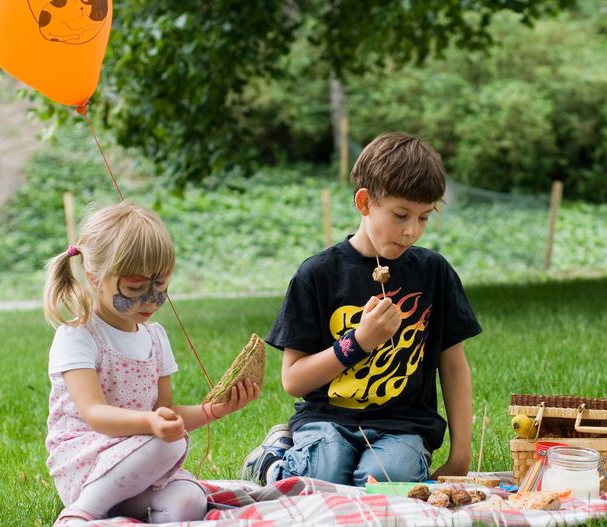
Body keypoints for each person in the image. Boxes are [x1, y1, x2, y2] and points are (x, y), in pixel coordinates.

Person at [242, 132, 482, 487]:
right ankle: (271, 462)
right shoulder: (318, 275)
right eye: (401, 215)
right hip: (326, 420)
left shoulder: (433, 273)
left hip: (403, 425)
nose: (412, 231)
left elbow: (453, 365)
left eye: (424, 218)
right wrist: (359, 341)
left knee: (388, 481)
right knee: (324, 479)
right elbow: (293, 380)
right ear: (365, 202)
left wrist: (460, 455)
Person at [43, 201, 259, 526]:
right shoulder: (79, 336)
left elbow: (166, 413)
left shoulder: (155, 338)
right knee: (169, 445)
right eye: (135, 287)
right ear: (94, 277)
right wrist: (152, 425)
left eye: (161, 286)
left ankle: (117, 514)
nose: (151, 298)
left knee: (190, 500)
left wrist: (214, 410)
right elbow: (95, 414)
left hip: (143, 462)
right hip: (87, 462)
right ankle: (82, 512)